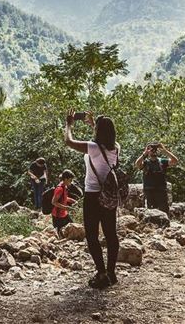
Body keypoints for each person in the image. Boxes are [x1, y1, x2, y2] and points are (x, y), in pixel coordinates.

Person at [64, 109, 120, 289]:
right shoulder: (116, 147)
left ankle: (101, 272)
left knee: (92, 235)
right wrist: (94, 124)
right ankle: (111, 273)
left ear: (98, 132)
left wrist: (69, 124)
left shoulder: (93, 148)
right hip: (109, 195)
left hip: (93, 195)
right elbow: (102, 138)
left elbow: (69, 141)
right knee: (111, 234)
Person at [135, 142, 178, 215]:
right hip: (149, 191)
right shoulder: (145, 163)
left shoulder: (162, 161)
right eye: (152, 150)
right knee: (151, 213)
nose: (153, 152)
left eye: (155, 150)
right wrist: (144, 153)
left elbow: (175, 161)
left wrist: (165, 151)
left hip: (161, 191)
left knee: (164, 212)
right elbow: (137, 164)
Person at [51, 170, 77, 237]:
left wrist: (72, 200)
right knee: (59, 235)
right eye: (70, 180)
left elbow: (63, 198)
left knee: (73, 227)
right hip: (57, 215)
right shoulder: (60, 188)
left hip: (64, 214)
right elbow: (53, 202)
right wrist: (66, 207)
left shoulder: (64, 186)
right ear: (65, 179)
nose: (71, 182)